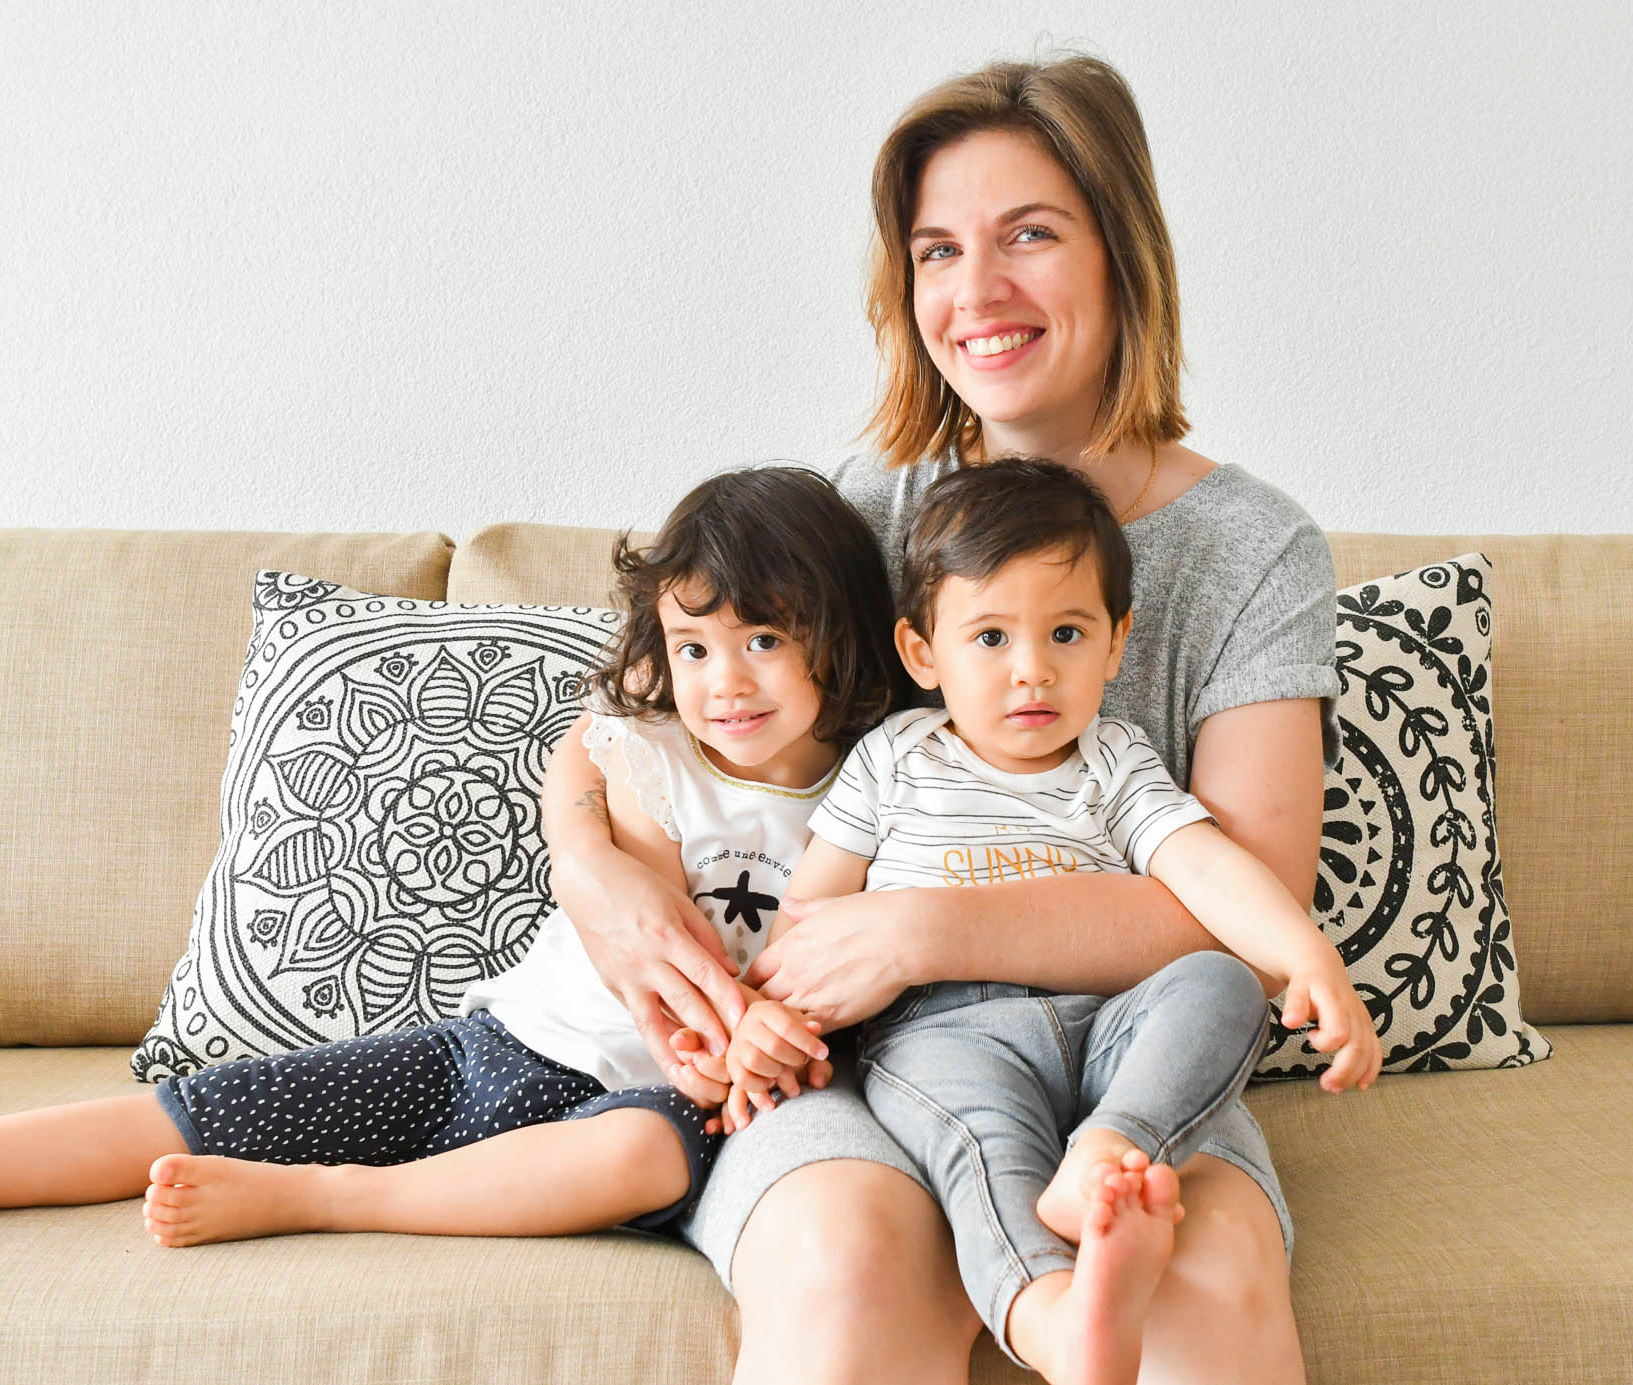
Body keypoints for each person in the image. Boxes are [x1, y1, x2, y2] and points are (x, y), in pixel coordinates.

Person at [545, 55, 1354, 1385]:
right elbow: (615, 723)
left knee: (1202, 1284)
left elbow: (1248, 904)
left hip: (1136, 1057)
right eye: (938, 251)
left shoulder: (1251, 549)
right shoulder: (871, 506)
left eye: (1029, 235)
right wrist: (593, 871)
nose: (976, 292)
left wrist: (929, 927)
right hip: (870, 1067)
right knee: (850, 1259)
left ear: (1121, 254)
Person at [0, 466, 899, 1253]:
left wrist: (758, 1047)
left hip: (662, 1104)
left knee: (639, 1151)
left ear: (840, 633)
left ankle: (322, 1197)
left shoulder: (878, 782)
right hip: (507, 1046)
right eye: (694, 647)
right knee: (222, 1105)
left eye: (764, 639)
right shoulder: (646, 752)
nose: (726, 682)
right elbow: (654, 939)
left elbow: (829, 956)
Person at [747, 459, 1379, 1385]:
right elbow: (811, 916)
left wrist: (1305, 953)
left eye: (1068, 632)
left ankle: (1114, 1145)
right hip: (944, 1030)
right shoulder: (895, 758)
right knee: (982, 1154)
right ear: (922, 653)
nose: (1032, 669)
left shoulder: (1114, 757)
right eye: (991, 636)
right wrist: (766, 1021)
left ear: (1117, 644)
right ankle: (1059, 1324)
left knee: (1221, 981)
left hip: (1108, 1021)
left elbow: (1201, 867)